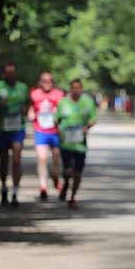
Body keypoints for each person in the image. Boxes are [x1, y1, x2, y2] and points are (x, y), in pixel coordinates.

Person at [0, 62, 29, 207]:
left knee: (16, 159)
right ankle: (4, 187)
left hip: (17, 128)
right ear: (4, 74)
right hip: (1, 128)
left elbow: (29, 104)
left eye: (13, 73)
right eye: (8, 74)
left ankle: (15, 191)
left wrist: (25, 109)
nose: (11, 76)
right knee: (3, 161)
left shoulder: (22, 87)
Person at [56, 79, 97, 209]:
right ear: (70, 89)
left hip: (80, 143)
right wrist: (59, 132)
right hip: (66, 143)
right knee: (67, 171)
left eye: (78, 88)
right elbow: (56, 120)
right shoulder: (63, 103)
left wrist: (87, 128)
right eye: (73, 88)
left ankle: (73, 197)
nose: (76, 90)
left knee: (78, 173)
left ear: (81, 89)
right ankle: (66, 184)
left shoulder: (87, 102)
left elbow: (93, 119)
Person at [29, 71, 66, 201]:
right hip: (40, 131)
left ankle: (55, 179)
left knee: (56, 159)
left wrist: (58, 113)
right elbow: (31, 109)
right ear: (40, 82)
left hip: (55, 132)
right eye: (44, 81)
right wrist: (31, 114)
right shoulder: (34, 94)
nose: (47, 83)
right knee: (42, 158)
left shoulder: (59, 94)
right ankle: (43, 187)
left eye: (49, 81)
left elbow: (64, 110)